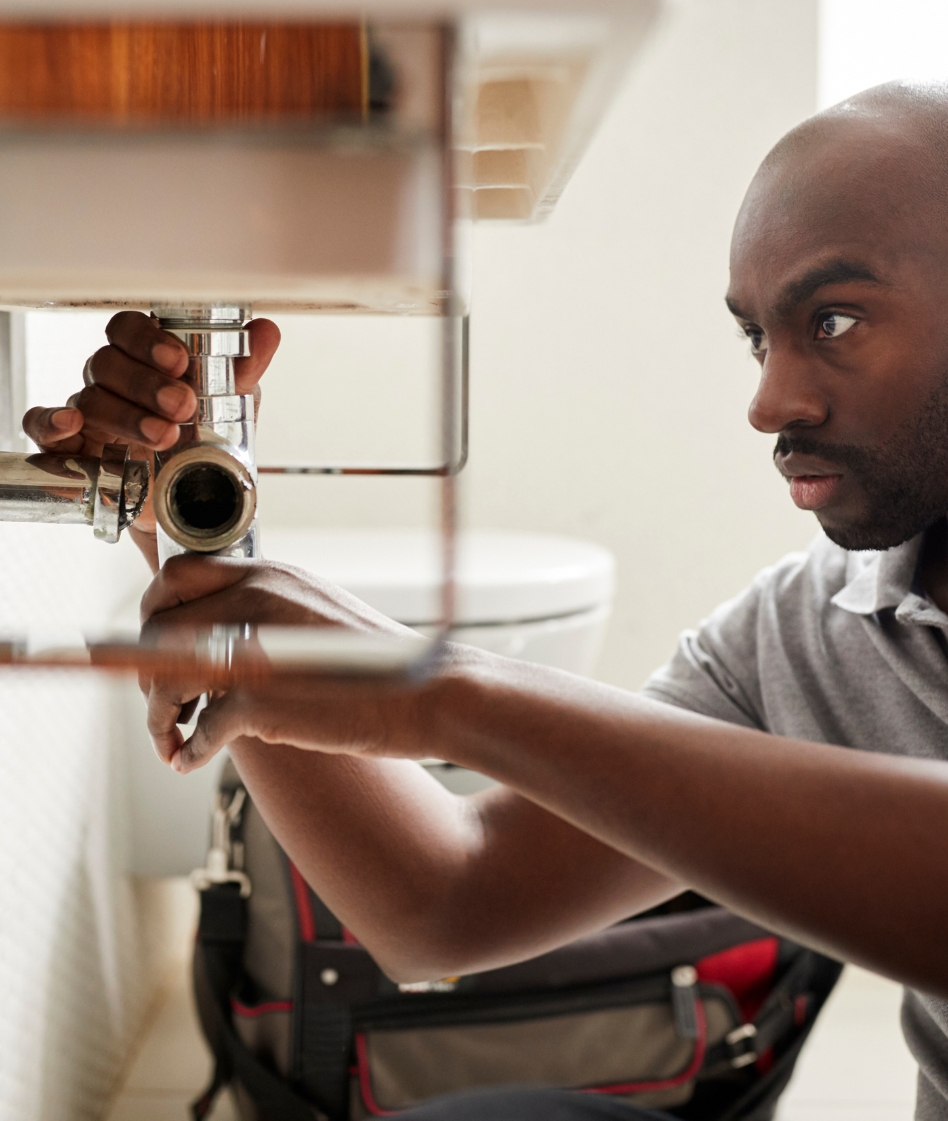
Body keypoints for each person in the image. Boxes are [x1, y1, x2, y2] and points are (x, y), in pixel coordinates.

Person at [26, 81, 948, 1120]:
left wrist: (437, 693)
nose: (771, 401)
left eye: (834, 320)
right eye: (757, 338)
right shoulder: (823, 627)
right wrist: (193, 529)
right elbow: (445, 901)